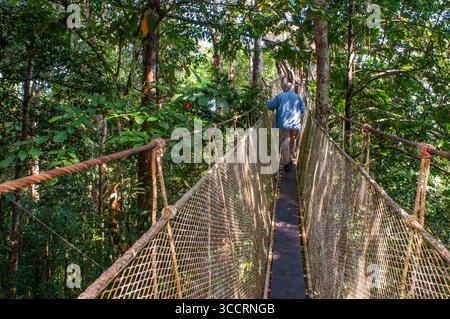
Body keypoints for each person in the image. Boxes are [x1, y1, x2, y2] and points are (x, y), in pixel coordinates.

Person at [266, 82, 305, 172]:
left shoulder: (279, 96)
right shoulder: (298, 97)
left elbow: (271, 106)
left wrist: (267, 101)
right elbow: (302, 110)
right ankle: (291, 157)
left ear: (283, 88)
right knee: (292, 139)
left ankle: (287, 163)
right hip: (295, 124)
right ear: (291, 89)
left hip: (283, 124)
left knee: (285, 141)